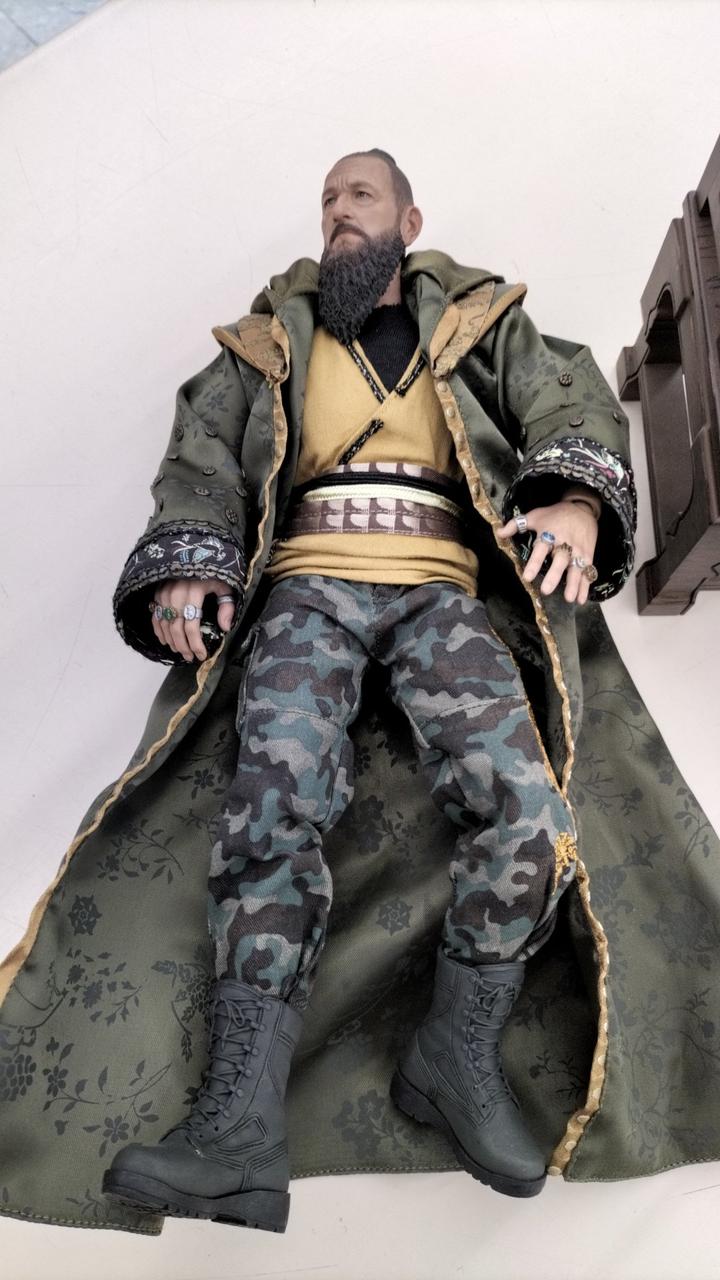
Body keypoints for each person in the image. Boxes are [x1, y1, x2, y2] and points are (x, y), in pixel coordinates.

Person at [96, 148, 635, 1230]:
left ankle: (456, 1051)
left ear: (408, 220)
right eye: (328, 200)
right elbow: (201, 460)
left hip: (441, 590)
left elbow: (566, 396)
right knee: (271, 804)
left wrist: (578, 498)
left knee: (529, 813)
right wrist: (192, 561)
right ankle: (238, 1127)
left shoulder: (481, 324)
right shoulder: (265, 344)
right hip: (306, 588)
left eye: (361, 196)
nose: (340, 214)